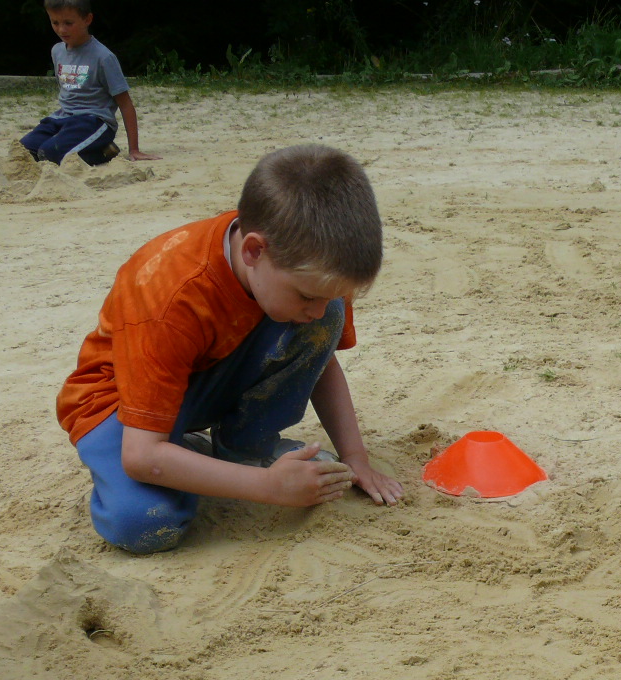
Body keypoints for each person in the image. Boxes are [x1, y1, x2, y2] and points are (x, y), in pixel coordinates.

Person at [56, 144, 404, 554]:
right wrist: (268, 487)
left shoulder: (306, 266)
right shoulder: (170, 294)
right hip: (117, 405)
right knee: (144, 524)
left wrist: (356, 458)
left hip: (199, 380)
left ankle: (243, 448)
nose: (318, 308)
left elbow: (320, 363)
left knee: (324, 318)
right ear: (253, 251)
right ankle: (192, 457)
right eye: (308, 296)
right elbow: (141, 455)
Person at [22, 1, 158, 166]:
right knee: (24, 151)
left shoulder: (104, 57)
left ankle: (104, 151)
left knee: (49, 153)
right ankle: (83, 146)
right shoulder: (57, 51)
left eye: (68, 23)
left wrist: (134, 149)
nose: (61, 30)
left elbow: (125, 103)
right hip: (63, 117)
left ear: (87, 19)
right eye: (55, 23)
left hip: (93, 121)